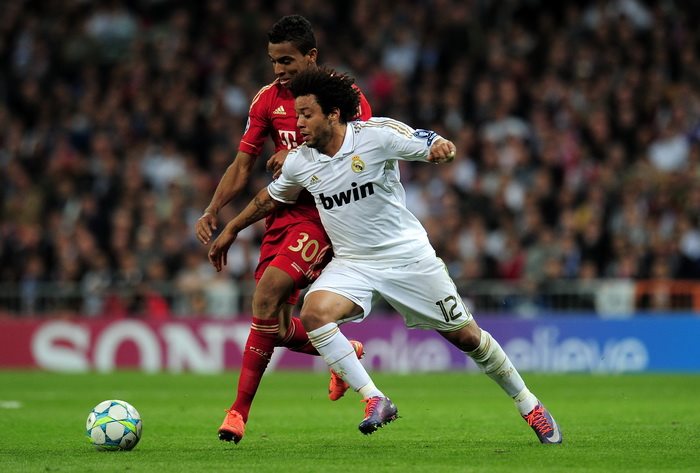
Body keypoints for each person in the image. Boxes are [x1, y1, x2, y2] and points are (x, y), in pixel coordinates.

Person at [208, 67, 562, 444]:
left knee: (467, 338)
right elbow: (269, 198)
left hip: (407, 258)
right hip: (353, 263)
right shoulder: (300, 162)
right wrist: (232, 228)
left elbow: (424, 140)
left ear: (333, 114)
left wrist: (440, 147)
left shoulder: (374, 135)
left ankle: (529, 405)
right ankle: (375, 398)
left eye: (307, 115)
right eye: (297, 116)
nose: (299, 125)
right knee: (313, 313)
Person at [194, 16, 372, 444]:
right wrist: (214, 209)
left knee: (265, 295)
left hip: (325, 215)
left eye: (287, 60)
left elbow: (362, 154)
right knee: (274, 325)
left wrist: (301, 154)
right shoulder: (267, 99)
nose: (278, 70)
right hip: (280, 215)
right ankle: (342, 354)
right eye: (273, 61)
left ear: (311, 56)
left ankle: (237, 413)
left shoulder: (344, 95)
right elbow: (243, 164)